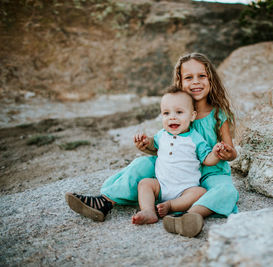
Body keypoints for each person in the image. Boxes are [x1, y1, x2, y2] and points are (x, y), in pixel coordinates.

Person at [65, 52, 239, 237]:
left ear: (211, 79)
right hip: (175, 168)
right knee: (141, 165)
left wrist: (226, 153)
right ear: (180, 82)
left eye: (202, 76)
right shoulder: (174, 112)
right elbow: (161, 147)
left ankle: (191, 215)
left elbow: (231, 151)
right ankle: (105, 202)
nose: (195, 82)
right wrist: (146, 147)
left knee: (227, 190)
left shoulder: (218, 115)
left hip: (210, 171)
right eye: (189, 77)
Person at [131, 87, 221, 232]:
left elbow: (207, 159)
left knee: (200, 192)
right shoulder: (162, 135)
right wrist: (144, 141)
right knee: (145, 183)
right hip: (161, 187)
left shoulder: (195, 138)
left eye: (179, 112)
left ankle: (171, 206)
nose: (172, 117)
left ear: (192, 116)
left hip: (185, 190)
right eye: (166, 113)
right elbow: (152, 145)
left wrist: (216, 154)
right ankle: (149, 211)